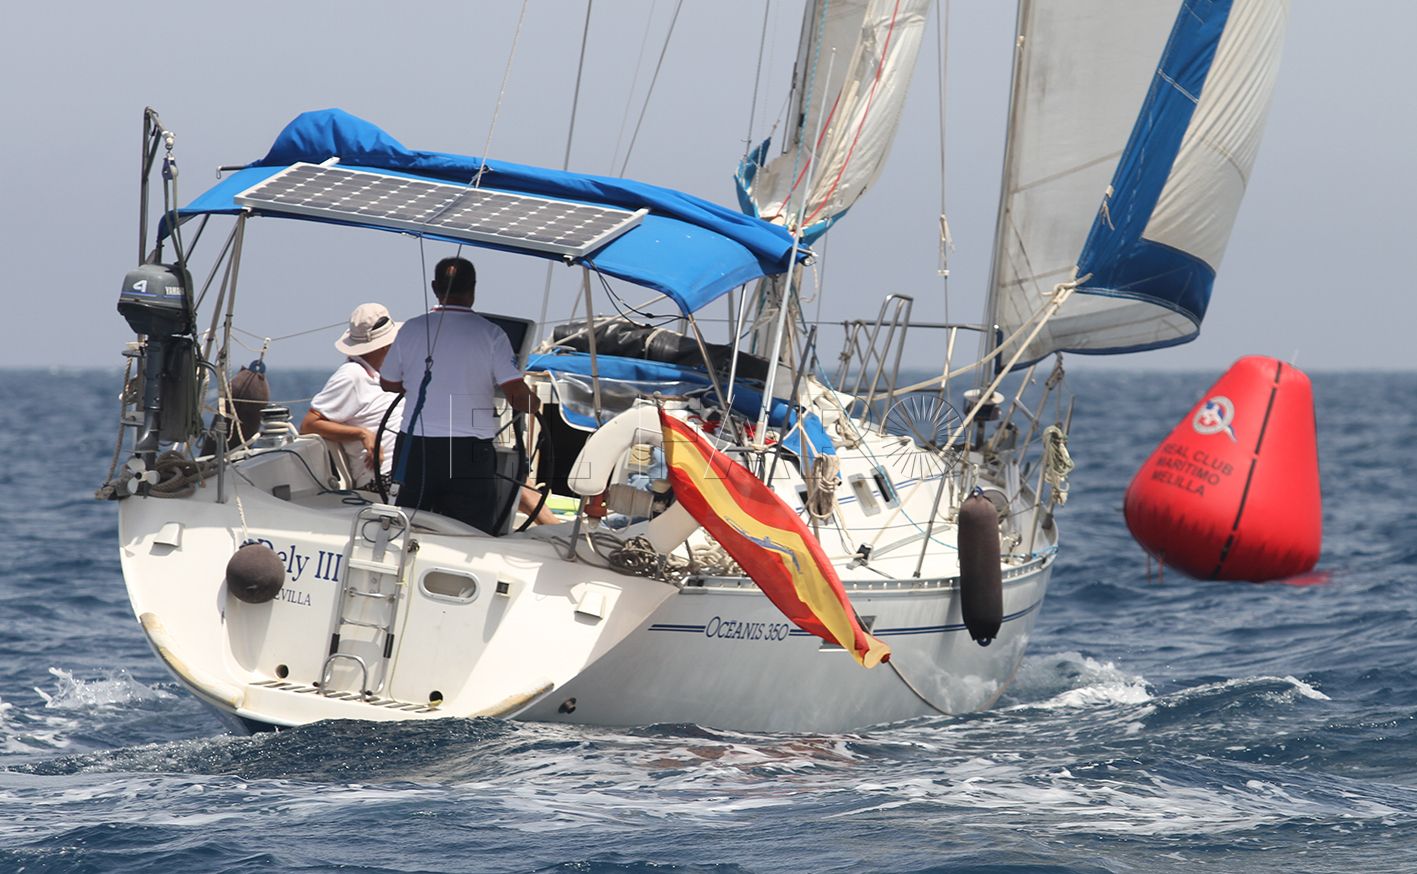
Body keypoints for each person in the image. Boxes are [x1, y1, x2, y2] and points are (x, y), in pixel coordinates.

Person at [380, 257, 543, 534]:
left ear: (435, 287)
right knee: (470, 532)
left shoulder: (411, 329)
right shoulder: (492, 334)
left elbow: (388, 382)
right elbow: (518, 398)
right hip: (468, 454)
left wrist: (419, 385)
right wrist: (534, 403)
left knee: (406, 526)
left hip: (416, 449)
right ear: (473, 288)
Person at [299, 303, 405, 489]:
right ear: (386, 346)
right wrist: (362, 434)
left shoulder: (381, 375)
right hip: (385, 479)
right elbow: (309, 425)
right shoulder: (352, 375)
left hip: (404, 470)